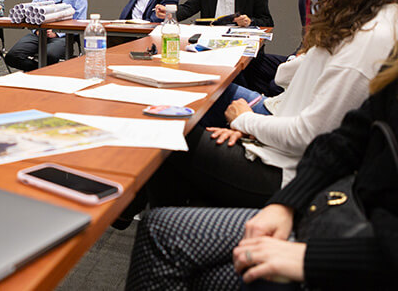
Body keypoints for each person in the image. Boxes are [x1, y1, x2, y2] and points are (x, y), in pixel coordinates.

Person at [146, 0, 398, 209]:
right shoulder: (360, 18)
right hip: (275, 131)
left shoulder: (368, 36)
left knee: (167, 134)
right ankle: (173, 216)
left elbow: (309, 134)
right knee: (194, 104)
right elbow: (291, 80)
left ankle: (162, 219)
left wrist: (245, 121)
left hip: (283, 167)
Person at [126, 41, 398, 290]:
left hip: (348, 238)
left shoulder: (373, 35)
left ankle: (123, 208)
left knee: (172, 149)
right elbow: (343, 140)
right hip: (334, 207)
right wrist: (286, 203)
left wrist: (313, 258)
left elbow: (311, 134)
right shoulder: (384, 51)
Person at [5, 0, 88, 71]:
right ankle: (38, 72)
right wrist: (37, 30)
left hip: (63, 37)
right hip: (39, 34)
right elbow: (29, 16)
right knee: (11, 56)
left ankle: (40, 75)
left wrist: (57, 33)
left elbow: (79, 24)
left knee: (49, 55)